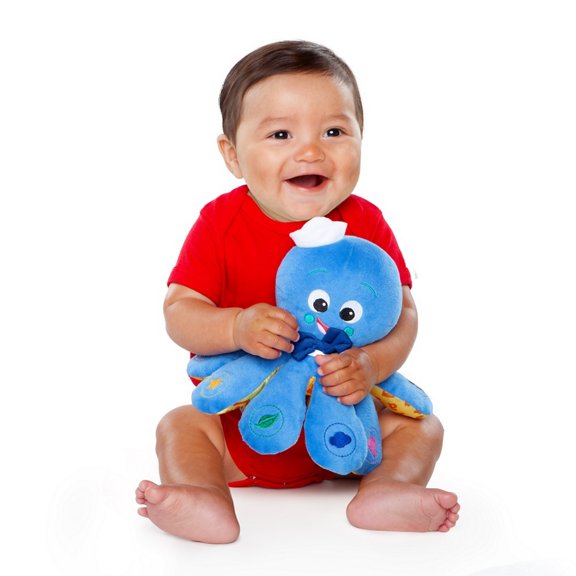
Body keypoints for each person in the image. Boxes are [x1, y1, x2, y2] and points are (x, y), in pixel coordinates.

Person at [135, 40, 460, 543]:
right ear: (233, 155)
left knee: (423, 426)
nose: (310, 151)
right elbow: (179, 311)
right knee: (180, 425)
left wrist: (371, 364)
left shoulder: (365, 224)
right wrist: (235, 325)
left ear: (361, 139)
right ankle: (203, 497)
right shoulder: (220, 223)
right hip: (242, 429)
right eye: (281, 134)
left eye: (334, 131)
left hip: (351, 427)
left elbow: (406, 313)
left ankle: (385, 489)